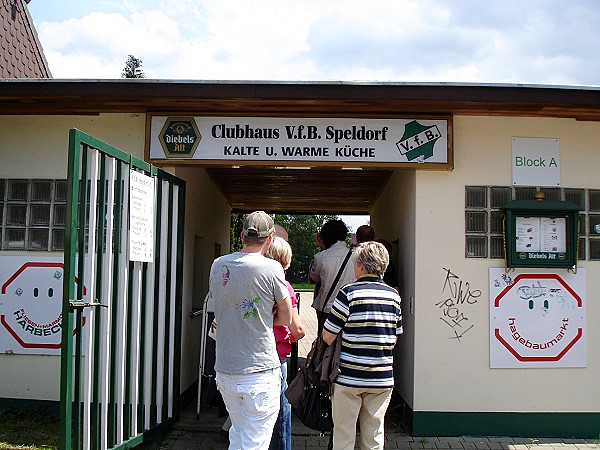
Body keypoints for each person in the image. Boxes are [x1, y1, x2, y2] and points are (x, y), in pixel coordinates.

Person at [210, 210, 293, 450]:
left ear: (241, 235)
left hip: (225, 369)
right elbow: (286, 317)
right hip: (259, 370)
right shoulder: (272, 269)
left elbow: (221, 304)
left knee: (238, 434)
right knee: (255, 442)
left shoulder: (218, 265)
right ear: (269, 240)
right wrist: (265, 317)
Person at [322, 241, 403, 450]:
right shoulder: (394, 296)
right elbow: (394, 338)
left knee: (344, 434)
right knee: (374, 435)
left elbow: (328, 336)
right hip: (382, 378)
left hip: (348, 376)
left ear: (360, 265)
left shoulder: (348, 293)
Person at [266, 235, 305, 450]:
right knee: (281, 411)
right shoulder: (284, 287)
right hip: (275, 356)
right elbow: (297, 329)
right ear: (284, 260)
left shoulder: (253, 283)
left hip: (249, 355)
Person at [308, 219, 355, 334]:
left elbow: (312, 280)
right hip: (351, 310)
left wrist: (323, 249)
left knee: (326, 347)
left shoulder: (321, 257)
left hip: (328, 310)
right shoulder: (357, 255)